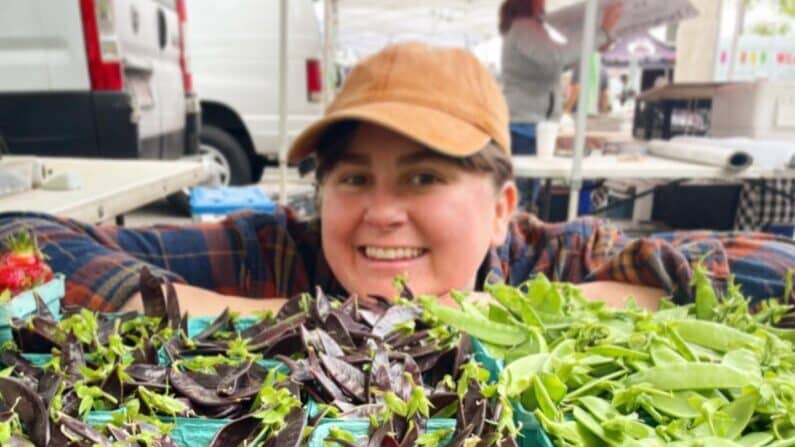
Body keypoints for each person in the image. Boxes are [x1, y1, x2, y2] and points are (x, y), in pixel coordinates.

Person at [0, 42, 792, 317]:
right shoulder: (277, 252)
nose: (380, 212)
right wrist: (293, 322)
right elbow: (23, 248)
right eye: (352, 178)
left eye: (421, 177)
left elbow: (775, 270)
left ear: (502, 209)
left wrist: (505, 317)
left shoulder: (556, 260)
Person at [499, 0, 622, 211]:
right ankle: (517, 239)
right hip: (526, 126)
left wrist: (598, 40)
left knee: (523, 198)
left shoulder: (525, 28)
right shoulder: (525, 27)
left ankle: (519, 235)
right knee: (522, 201)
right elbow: (556, 58)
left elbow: (560, 60)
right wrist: (601, 32)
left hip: (528, 124)